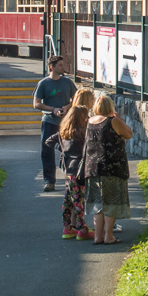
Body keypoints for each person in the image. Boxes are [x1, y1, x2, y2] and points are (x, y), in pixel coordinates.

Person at [45, 88, 95, 240]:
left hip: (68, 169)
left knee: (68, 199)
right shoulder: (83, 132)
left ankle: (67, 227)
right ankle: (82, 229)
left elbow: (48, 141)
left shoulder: (64, 131)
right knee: (79, 200)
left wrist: (63, 149)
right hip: (80, 169)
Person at [84, 94, 133, 245]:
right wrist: (118, 118)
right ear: (110, 107)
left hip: (92, 168)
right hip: (112, 168)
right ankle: (109, 236)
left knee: (98, 203)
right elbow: (129, 134)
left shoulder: (90, 121)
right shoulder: (113, 121)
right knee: (111, 202)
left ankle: (98, 236)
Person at [33, 55, 77, 192]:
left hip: (66, 122)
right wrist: (53, 109)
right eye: (60, 65)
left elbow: (77, 99)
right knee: (47, 150)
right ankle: (49, 181)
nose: (63, 67)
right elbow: (36, 103)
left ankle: (72, 179)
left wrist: (67, 107)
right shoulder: (43, 83)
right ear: (52, 67)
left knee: (71, 150)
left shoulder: (68, 82)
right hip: (49, 121)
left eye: (63, 64)